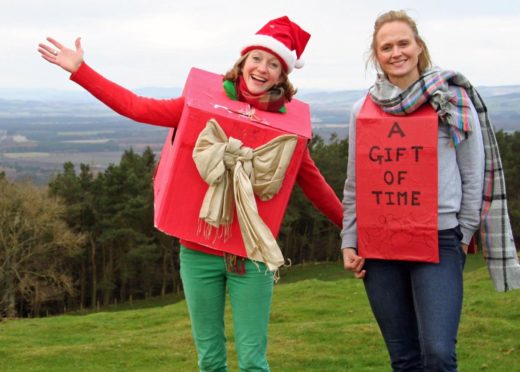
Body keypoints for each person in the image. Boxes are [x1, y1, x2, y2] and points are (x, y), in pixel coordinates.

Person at [39, 16, 343, 372]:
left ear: (282, 76)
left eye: (274, 64)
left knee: (253, 362)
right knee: (210, 361)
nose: (262, 69)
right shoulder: (197, 104)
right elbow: (137, 107)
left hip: (252, 256)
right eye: (257, 58)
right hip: (198, 255)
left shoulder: (287, 133)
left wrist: (355, 232)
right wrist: (81, 70)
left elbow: (317, 187)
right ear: (243, 62)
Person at [341, 9, 520, 372]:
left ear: (419, 46)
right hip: (379, 245)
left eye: (403, 43)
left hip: (439, 239)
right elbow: (355, 180)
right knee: (404, 358)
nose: (397, 52)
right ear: (377, 56)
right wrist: (350, 239)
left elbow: (474, 173)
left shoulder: (452, 101)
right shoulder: (363, 109)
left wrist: (464, 232)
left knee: (438, 352)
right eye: (386, 47)